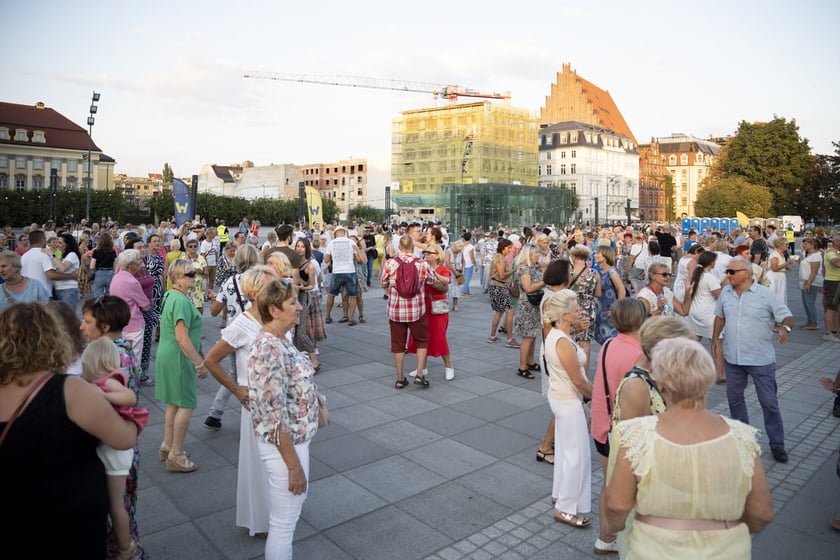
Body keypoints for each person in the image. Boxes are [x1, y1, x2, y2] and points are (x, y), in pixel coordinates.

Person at [604, 338, 775, 559]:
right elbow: (761, 512)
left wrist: (616, 528)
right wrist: (730, 531)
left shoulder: (638, 435)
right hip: (727, 551)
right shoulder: (742, 436)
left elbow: (617, 506)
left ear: (662, 383)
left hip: (654, 550)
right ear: (708, 380)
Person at [0, 302, 138, 558]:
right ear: (52, 338)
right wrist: (130, 413)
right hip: (70, 523)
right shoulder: (69, 390)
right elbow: (125, 438)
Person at [248, 278, 323, 560]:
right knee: (284, 523)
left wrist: (319, 404)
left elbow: (293, 384)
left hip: (293, 440)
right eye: (292, 302)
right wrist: (293, 467)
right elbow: (272, 415)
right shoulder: (270, 347)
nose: (300, 307)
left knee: (286, 519)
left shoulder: (281, 339)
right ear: (274, 309)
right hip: (284, 448)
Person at [204, 265, 277, 536]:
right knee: (261, 461)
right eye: (273, 286)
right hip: (256, 401)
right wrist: (236, 389)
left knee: (278, 461)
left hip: (277, 399)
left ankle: (278, 512)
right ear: (256, 292)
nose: (278, 290)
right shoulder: (242, 324)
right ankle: (262, 519)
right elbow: (211, 360)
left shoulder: (274, 317)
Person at [711, 257, 794, 463]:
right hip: (733, 358)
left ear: (746, 273)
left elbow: (787, 316)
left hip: (760, 360)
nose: (727, 275)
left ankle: (777, 443)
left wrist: (785, 328)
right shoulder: (726, 294)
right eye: (727, 272)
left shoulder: (766, 294)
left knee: (769, 403)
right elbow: (720, 317)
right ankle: (742, 439)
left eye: (732, 272)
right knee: (735, 400)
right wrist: (715, 338)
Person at [588, 297, 647, 554]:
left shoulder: (609, 344)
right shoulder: (640, 354)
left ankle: (605, 537)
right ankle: (627, 541)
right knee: (630, 489)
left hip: (602, 425)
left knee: (608, 483)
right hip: (626, 430)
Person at [81, 338, 148, 560]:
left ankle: (125, 545)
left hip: (116, 452)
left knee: (116, 503)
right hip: (111, 449)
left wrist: (102, 396)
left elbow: (130, 397)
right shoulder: (95, 382)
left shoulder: (108, 380)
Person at [542, 289, 593, 528]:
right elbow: (579, 380)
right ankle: (566, 508)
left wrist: (574, 330)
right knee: (576, 456)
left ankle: (559, 495)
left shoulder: (557, 334)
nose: (580, 311)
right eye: (575, 310)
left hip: (560, 397)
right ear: (564, 315)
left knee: (565, 452)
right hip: (568, 400)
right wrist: (600, 400)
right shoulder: (561, 341)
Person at [155, 258, 208, 472]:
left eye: (194, 273)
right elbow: (182, 338)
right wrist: (199, 363)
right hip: (179, 357)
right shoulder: (181, 301)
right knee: (186, 403)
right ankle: (176, 454)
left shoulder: (171, 295)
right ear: (177, 278)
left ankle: (167, 446)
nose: (194, 277)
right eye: (190, 274)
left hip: (168, 355)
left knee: (174, 403)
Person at [381, 235, 445, 389]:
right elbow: (431, 281)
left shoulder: (391, 263)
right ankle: (419, 375)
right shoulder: (422, 264)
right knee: (422, 341)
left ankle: (400, 378)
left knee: (398, 344)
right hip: (417, 310)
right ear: (412, 247)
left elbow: (383, 282)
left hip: (396, 311)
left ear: (399, 248)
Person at [406, 244, 454, 381]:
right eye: (425, 252)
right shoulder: (421, 266)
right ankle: (422, 368)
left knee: (439, 336)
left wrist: (432, 273)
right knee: (421, 337)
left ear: (438, 255)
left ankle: (449, 366)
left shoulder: (443, 269)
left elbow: (447, 281)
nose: (426, 254)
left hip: (438, 305)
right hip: (423, 304)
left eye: (430, 252)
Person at [686, 251, 726, 383]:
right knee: (716, 342)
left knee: (695, 339)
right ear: (712, 263)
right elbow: (719, 297)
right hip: (708, 314)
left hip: (694, 311)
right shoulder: (710, 278)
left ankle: (683, 367)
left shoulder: (698, 275)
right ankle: (720, 374)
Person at [109, 249, 151, 362]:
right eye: (138, 260)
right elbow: (145, 305)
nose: (141, 262)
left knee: (121, 359)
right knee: (134, 360)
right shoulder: (132, 282)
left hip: (119, 323)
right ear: (131, 265)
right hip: (133, 325)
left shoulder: (116, 277)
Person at [513, 243, 546, 379]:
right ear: (529, 254)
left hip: (534, 305)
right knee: (528, 337)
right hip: (528, 306)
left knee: (532, 336)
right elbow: (528, 288)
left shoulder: (533, 268)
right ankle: (522, 367)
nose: (537, 255)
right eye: (535, 253)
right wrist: (544, 281)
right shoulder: (524, 268)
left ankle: (530, 362)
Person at [569, 245, 601, 373]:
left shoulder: (569, 273)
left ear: (574, 256)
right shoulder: (594, 273)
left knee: (570, 340)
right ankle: (584, 375)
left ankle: (571, 373)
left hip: (571, 309)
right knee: (585, 344)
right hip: (588, 310)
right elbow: (598, 294)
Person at [296, 238, 325, 370]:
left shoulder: (311, 265)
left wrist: (301, 286)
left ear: (307, 248)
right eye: (298, 246)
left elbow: (312, 285)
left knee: (308, 325)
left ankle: (313, 352)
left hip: (308, 296)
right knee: (303, 327)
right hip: (298, 296)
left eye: (302, 246)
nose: (300, 248)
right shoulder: (294, 263)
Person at [323, 226, 359, 324]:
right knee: (353, 296)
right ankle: (351, 318)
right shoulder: (351, 242)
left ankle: (328, 316)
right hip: (350, 271)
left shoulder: (331, 243)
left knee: (331, 294)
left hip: (337, 272)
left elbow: (326, 259)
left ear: (335, 233)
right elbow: (357, 256)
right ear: (344, 232)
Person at [487, 238, 519, 347]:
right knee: (509, 312)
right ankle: (510, 339)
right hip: (499, 287)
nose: (510, 250)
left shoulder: (498, 257)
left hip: (495, 286)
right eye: (509, 248)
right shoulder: (500, 258)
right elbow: (502, 275)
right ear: (503, 247)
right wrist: (514, 270)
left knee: (499, 311)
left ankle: (492, 336)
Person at [593, 245, 626, 346]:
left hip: (609, 312)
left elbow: (622, 291)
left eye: (598, 253)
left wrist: (615, 310)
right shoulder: (599, 271)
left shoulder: (611, 273)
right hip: (601, 312)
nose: (595, 255)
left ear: (605, 256)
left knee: (610, 341)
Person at [52, 232, 82, 313]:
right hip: (59, 289)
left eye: (60, 243)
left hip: (68, 289)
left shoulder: (72, 255)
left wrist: (52, 255)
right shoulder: (62, 255)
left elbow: (63, 268)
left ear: (67, 244)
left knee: (68, 318)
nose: (57, 245)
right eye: (57, 242)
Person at [798, 237, 823, 331]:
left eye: (806, 244)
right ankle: (810, 320)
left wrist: (809, 283)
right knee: (805, 302)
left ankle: (814, 322)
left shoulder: (816, 256)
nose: (804, 245)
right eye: (803, 244)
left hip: (812, 282)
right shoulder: (809, 255)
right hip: (805, 281)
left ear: (812, 245)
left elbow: (814, 271)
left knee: (810, 302)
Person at [766, 237, 795, 305]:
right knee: (776, 295)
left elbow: (779, 264)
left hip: (779, 277)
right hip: (774, 277)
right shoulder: (775, 255)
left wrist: (786, 267)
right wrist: (787, 263)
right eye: (786, 244)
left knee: (780, 294)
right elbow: (774, 268)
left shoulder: (781, 254)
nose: (788, 246)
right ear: (780, 245)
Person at [90, 231, 117, 298]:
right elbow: (115, 265)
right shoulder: (113, 251)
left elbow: (92, 266)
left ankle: (99, 308)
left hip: (99, 273)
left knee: (97, 297)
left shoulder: (96, 251)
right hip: (110, 273)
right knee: (111, 296)